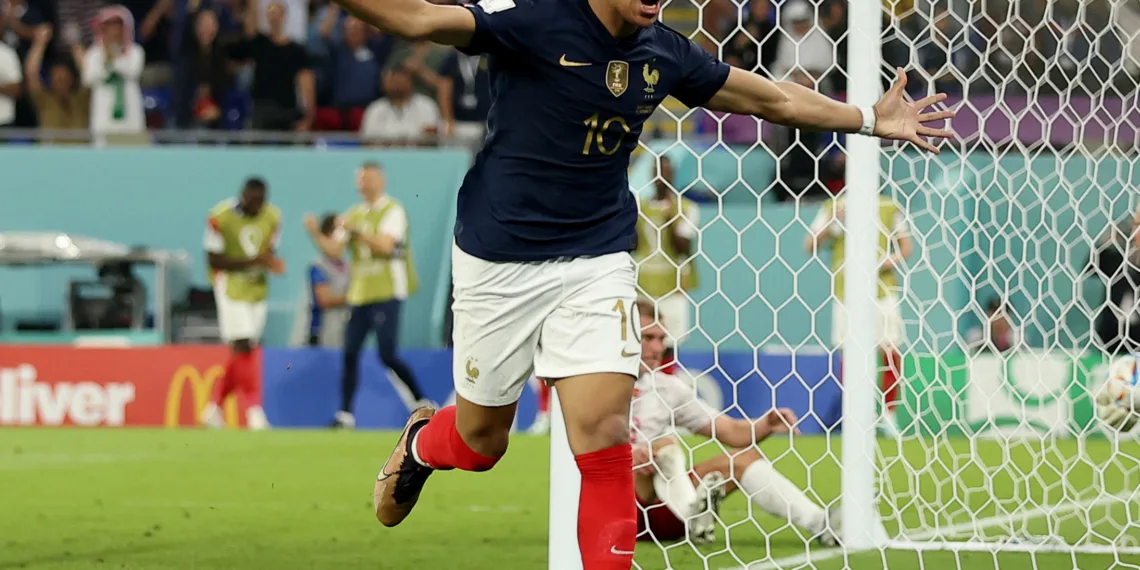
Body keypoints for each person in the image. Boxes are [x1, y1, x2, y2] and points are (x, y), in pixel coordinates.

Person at [328, 0, 954, 567]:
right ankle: (421, 444)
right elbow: (414, 19)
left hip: (596, 258)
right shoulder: (533, 16)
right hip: (499, 258)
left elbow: (773, 100)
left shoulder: (662, 49)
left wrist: (869, 117)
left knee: (603, 439)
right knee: (481, 442)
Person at [630, 302, 839, 546]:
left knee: (743, 459)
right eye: (648, 338)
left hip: (664, 507)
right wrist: (628, 456)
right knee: (663, 443)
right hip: (611, 506)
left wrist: (764, 426)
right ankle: (694, 512)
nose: (657, 347)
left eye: (662, 338)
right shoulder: (592, 387)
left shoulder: (668, 388)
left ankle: (823, 524)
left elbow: (730, 430)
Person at [304, 162, 429, 428]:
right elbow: (335, 251)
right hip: (360, 294)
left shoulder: (392, 210)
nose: (364, 184)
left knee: (387, 354)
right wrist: (315, 232)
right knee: (350, 353)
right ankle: (345, 414)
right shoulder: (354, 214)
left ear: (381, 181)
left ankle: (421, 401)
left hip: (387, 290)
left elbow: (385, 246)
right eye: (360, 180)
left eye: (369, 179)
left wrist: (355, 231)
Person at [804, 191, 913, 438]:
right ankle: (854, 414)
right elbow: (810, 245)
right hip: (847, 293)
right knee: (849, 354)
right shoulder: (832, 206)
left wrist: (889, 261)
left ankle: (888, 415)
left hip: (881, 290)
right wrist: (834, 222)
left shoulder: (888, 205)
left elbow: (906, 246)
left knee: (890, 349)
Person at [200, 177, 284, 431]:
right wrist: (254, 262)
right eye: (252, 201)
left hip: (257, 288)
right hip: (230, 286)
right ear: (242, 197)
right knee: (244, 343)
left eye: (260, 202)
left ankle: (214, 407)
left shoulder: (273, 217)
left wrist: (269, 262)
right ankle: (254, 411)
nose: (256, 207)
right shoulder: (220, 217)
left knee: (244, 350)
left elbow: (269, 251)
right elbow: (213, 259)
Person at [82, 5, 147, 145]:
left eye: (117, 26)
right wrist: (108, 59)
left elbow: (132, 71)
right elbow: (89, 78)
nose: (113, 31)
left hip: (131, 116)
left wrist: (112, 59)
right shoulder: (92, 55)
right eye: (109, 27)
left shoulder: (136, 52)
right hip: (103, 117)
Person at [305, 213, 350, 347]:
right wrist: (354, 297)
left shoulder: (347, 267)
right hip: (321, 332)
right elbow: (324, 300)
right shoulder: (318, 266)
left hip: (343, 329)